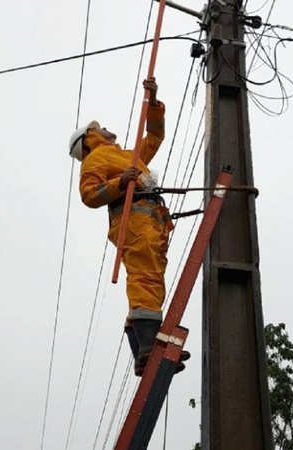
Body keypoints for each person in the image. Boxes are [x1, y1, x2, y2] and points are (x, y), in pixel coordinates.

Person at [68, 78, 188, 376]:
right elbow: (89, 195)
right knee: (145, 276)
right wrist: (121, 182)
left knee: (151, 278)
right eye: (98, 127)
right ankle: (148, 347)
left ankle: (143, 345)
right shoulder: (96, 158)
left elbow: (154, 138)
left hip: (151, 219)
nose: (105, 128)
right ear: (89, 138)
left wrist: (154, 102)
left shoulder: (124, 155)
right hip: (133, 220)